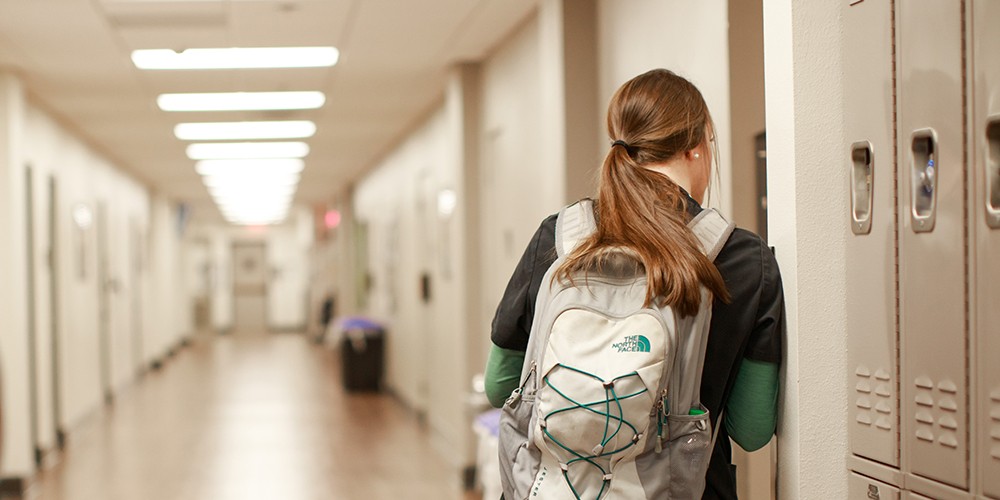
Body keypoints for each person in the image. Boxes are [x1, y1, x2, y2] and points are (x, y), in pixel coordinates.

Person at [484, 68, 783, 499]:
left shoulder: (561, 237)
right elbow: (752, 428)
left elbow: (499, 385)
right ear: (696, 146)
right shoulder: (741, 258)